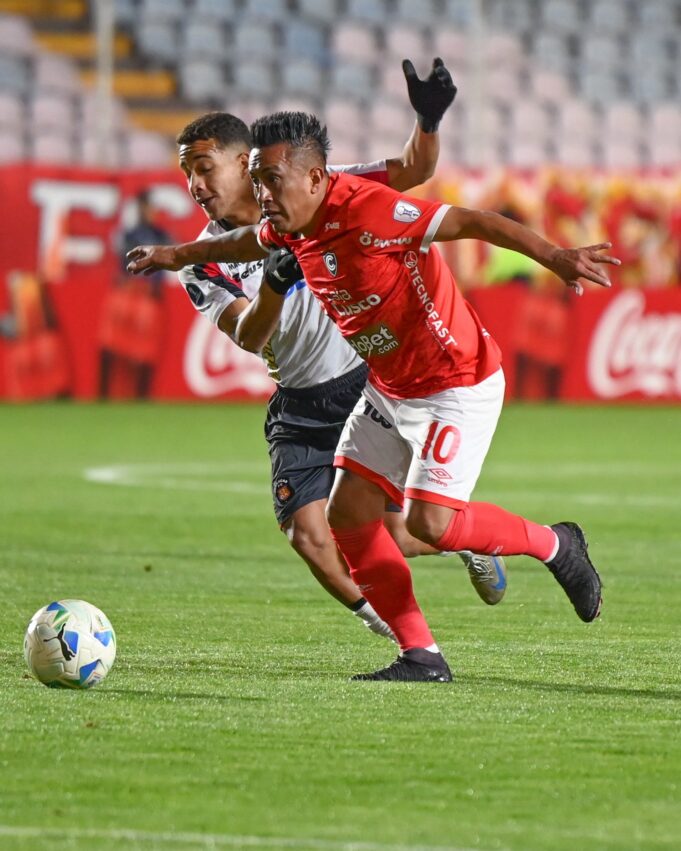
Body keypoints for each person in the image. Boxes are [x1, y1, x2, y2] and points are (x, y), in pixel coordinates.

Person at [127, 99, 619, 682]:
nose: (256, 194)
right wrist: (172, 255)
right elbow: (235, 252)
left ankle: (555, 544)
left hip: (451, 376)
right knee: (345, 518)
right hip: (381, 384)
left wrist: (555, 256)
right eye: (258, 182)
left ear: (312, 177)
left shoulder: (366, 206)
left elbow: (466, 219)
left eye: (264, 179)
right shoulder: (280, 221)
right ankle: (420, 655)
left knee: (428, 525)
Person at [171, 59, 506, 647]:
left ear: (244, 160)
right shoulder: (203, 257)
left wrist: (427, 119)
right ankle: (394, 630)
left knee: (399, 533)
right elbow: (249, 337)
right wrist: (277, 279)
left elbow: (415, 168)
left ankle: (470, 537)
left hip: (362, 383)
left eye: (204, 168)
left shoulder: (323, 188)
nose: (196, 186)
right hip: (299, 401)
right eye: (187, 175)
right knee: (308, 535)